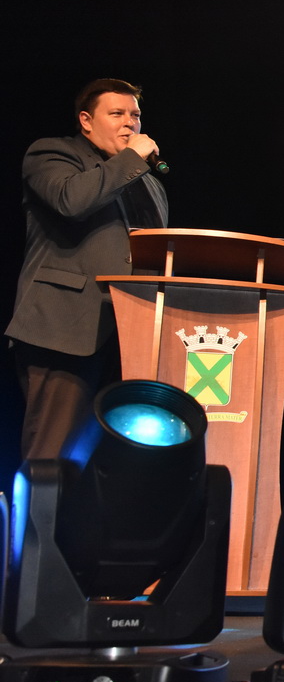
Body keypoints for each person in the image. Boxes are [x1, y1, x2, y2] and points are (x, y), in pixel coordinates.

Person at [7, 78, 169, 463]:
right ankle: (37, 526)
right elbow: (71, 200)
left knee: (111, 462)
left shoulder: (148, 183)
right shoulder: (52, 153)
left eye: (136, 116)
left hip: (132, 336)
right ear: (86, 120)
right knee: (54, 455)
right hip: (66, 329)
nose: (130, 123)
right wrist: (131, 160)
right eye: (117, 114)